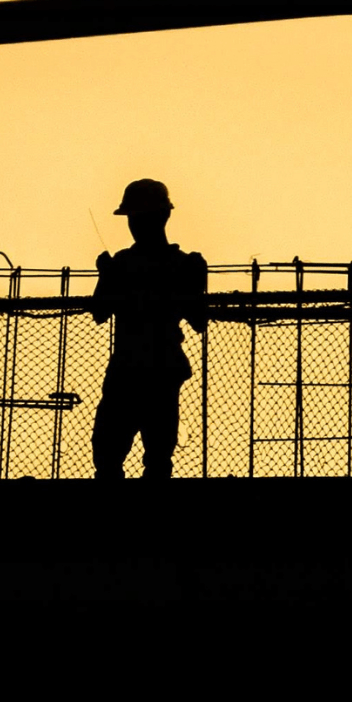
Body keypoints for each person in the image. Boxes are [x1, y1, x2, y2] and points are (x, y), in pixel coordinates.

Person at [89, 179, 208, 479]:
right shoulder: (180, 265)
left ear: (162, 217)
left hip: (136, 370)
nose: (136, 224)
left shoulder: (128, 264)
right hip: (154, 370)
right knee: (127, 454)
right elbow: (199, 320)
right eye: (134, 217)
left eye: (139, 217)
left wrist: (108, 276)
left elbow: (100, 312)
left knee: (129, 455)